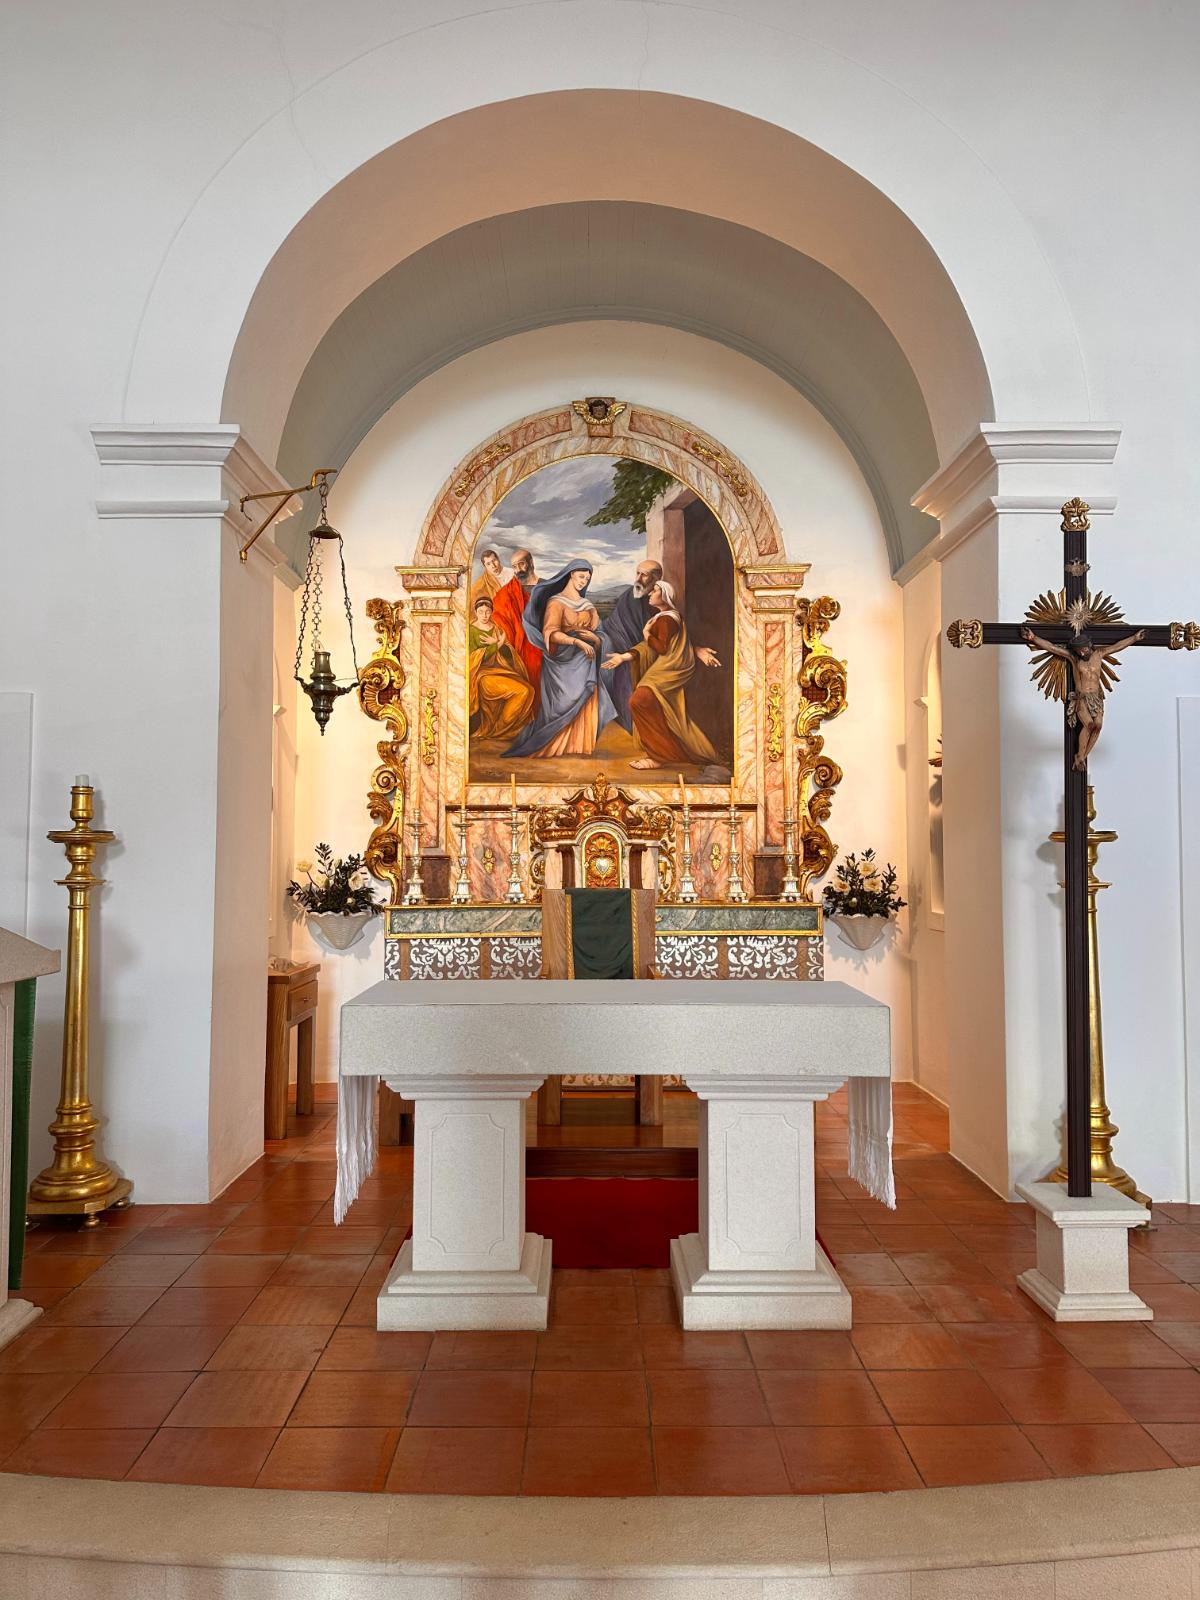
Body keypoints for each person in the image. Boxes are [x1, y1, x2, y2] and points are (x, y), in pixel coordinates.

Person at [602, 580, 721, 769]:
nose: (650, 594)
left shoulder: (667, 619)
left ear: (664, 596)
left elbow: (662, 648)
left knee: (639, 701)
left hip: (669, 669)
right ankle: (667, 752)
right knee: (652, 707)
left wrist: (646, 633)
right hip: (665, 667)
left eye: (655, 591)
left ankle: (659, 756)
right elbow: (651, 648)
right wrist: (623, 657)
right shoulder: (664, 617)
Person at [505, 561, 617, 758]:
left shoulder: (588, 606)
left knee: (586, 697)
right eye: (581, 577)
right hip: (562, 663)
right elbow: (550, 633)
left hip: (586, 661)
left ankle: (579, 744)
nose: (584, 581)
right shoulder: (556, 602)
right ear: (571, 574)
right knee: (562, 706)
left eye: (587, 579)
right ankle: (554, 744)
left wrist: (596, 639)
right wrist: (576, 641)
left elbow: (599, 635)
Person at [1022, 626, 1145, 770]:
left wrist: (1134, 638)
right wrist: (1033, 638)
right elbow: (1052, 648)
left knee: (1098, 726)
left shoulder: (1099, 654)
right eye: (1078, 650)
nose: (1081, 652)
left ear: (1089, 646)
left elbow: (1118, 646)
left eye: (1084, 649)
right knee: (1090, 725)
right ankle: (1080, 757)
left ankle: (1081, 757)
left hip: (1096, 697)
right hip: (1081, 697)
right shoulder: (1074, 658)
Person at [600, 558, 662, 731]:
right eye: (637, 573)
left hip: (644, 651)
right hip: (620, 645)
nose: (638, 579)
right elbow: (615, 623)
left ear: (656, 578)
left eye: (644, 575)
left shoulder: (659, 600)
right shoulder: (629, 595)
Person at [467, 596, 535, 740]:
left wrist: (502, 645)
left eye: (487, 612)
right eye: (481, 612)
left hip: (499, 671)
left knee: (530, 690)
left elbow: (508, 657)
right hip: (481, 676)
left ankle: (505, 729)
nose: (484, 615)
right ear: (475, 612)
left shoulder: (496, 629)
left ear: (491, 612)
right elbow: (471, 659)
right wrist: (496, 645)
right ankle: (497, 731)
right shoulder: (470, 631)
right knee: (522, 692)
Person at [491, 547, 542, 704]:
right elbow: (499, 615)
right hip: (521, 646)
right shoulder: (507, 593)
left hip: (545, 642)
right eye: (514, 566)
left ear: (531, 563)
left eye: (521, 564)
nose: (518, 569)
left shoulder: (546, 587)